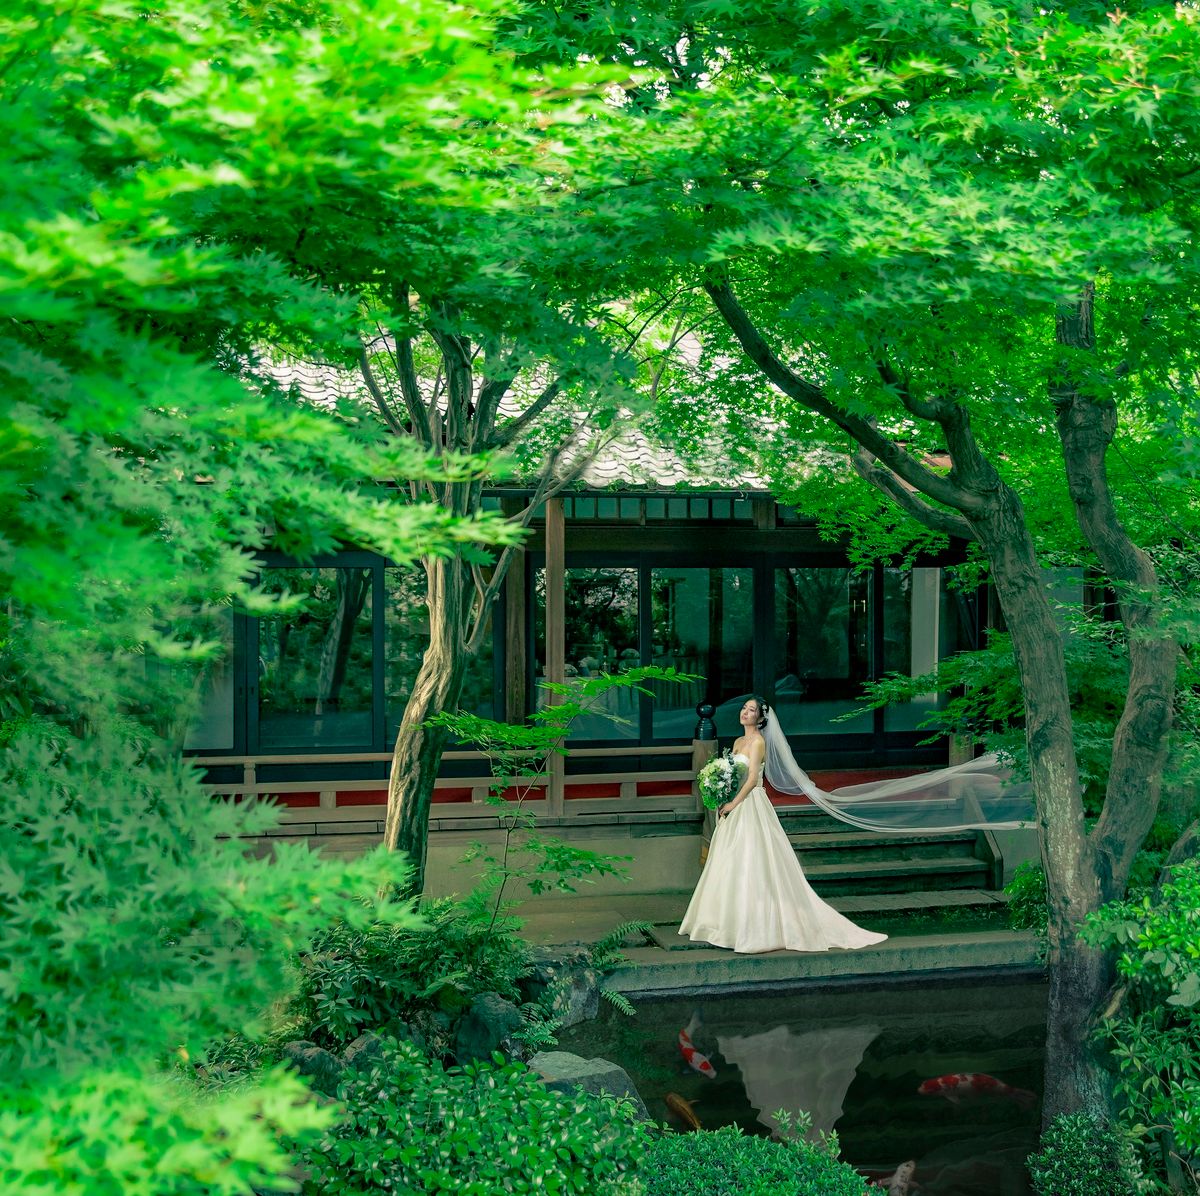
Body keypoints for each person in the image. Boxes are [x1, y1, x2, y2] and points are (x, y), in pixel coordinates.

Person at [679, 697, 888, 954]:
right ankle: (723, 923)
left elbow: (753, 777)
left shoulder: (757, 742)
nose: (745, 712)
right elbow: (732, 773)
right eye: (744, 708)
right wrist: (721, 790)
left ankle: (754, 926)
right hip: (734, 802)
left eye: (751, 710)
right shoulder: (737, 742)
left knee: (751, 862)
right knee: (728, 860)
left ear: (760, 718)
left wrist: (733, 804)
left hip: (751, 803)